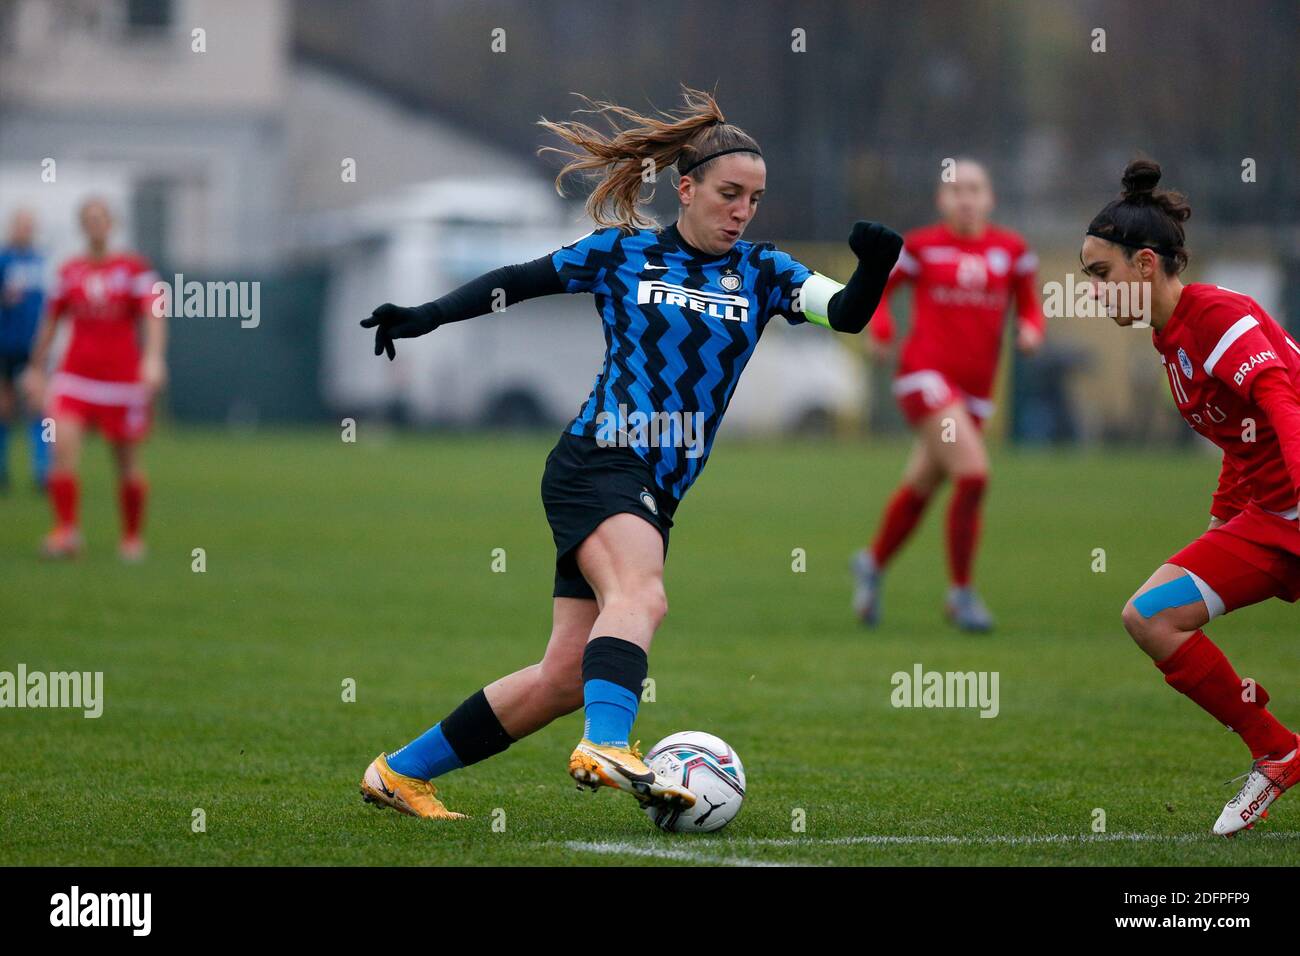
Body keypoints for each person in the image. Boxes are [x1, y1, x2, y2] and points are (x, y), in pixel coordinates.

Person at [356, 88, 902, 819]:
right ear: (686, 188)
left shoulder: (765, 273)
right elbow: (516, 283)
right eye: (729, 194)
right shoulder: (624, 252)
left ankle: (397, 774)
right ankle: (608, 743)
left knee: (564, 677)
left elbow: (847, 313)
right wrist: (422, 316)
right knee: (641, 596)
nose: (742, 211)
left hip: (654, 488)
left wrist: (876, 265)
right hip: (602, 458)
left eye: (755, 199)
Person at [1084, 158, 1300, 836]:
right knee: (1150, 615)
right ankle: (1276, 749)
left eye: (1100, 275)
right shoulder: (1169, 338)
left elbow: (1282, 404)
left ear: (1145, 265)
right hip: (1273, 522)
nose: (1093, 293)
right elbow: (1244, 440)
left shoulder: (1219, 317)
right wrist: (1221, 523)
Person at [851, 159, 1044, 631]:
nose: (966, 197)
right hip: (924, 377)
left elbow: (1032, 311)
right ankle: (960, 596)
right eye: (956, 189)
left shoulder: (1012, 251)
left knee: (921, 487)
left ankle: (872, 564)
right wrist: (881, 328)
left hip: (975, 394)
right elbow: (875, 292)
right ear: (942, 200)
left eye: (975, 188)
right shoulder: (921, 247)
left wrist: (1030, 331)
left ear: (990, 197)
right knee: (974, 475)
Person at [22, 198, 165, 561]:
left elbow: (153, 315)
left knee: (127, 461)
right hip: (75, 377)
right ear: (82, 226)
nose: (96, 225)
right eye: (89, 219)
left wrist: (153, 358)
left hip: (122, 381)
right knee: (61, 449)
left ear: (112, 224)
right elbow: (51, 322)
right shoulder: (69, 271)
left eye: (101, 218)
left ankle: (132, 538)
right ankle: (66, 532)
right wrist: (36, 369)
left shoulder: (134, 269)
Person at [0, 209, 50, 492]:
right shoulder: (3, 260)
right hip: (5, 344)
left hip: (35, 347)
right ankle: (2, 469)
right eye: (21, 225)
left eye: (29, 226)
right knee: (4, 407)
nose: (26, 231)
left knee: (39, 407)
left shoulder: (42, 262)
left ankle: (42, 471)